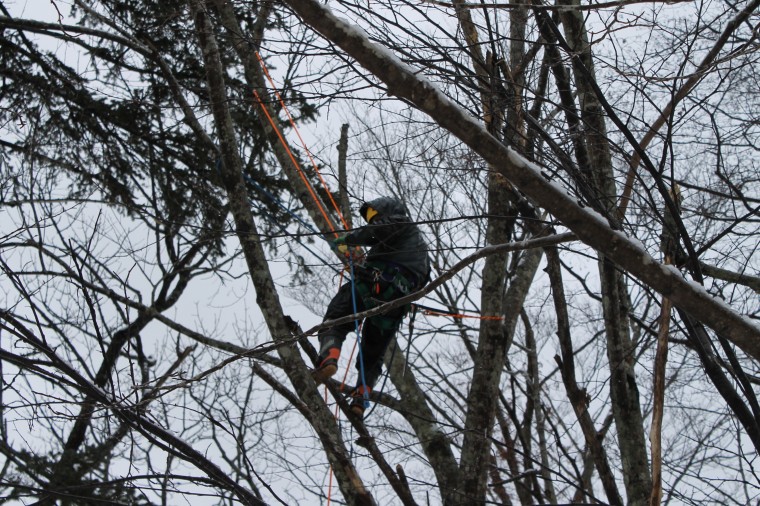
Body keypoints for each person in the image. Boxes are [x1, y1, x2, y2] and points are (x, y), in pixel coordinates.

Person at [313, 196, 430, 417]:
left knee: (338, 316)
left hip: (375, 285)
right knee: (373, 351)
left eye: (375, 216)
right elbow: (421, 282)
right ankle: (361, 394)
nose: (372, 222)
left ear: (388, 211)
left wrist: (350, 238)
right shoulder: (420, 253)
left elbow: (378, 231)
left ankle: (329, 355)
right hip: (395, 304)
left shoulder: (400, 224)